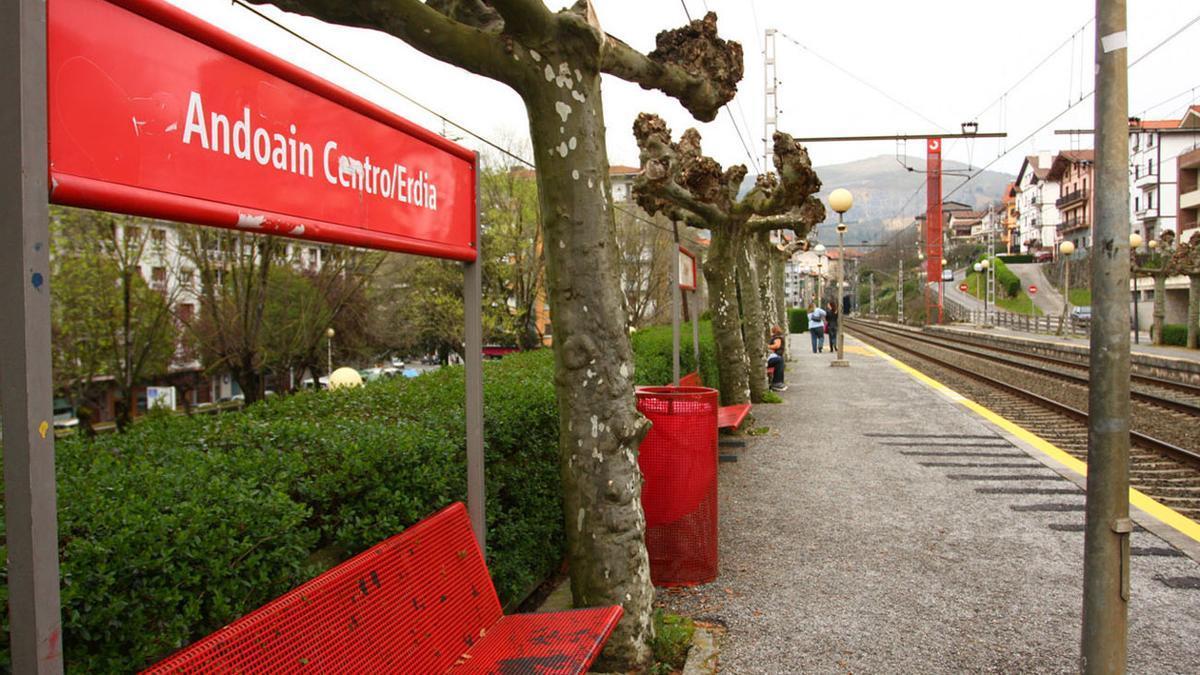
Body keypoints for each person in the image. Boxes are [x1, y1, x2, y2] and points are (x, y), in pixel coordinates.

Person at [767, 325, 786, 391]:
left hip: (774, 355)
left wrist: (767, 346)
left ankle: (777, 383)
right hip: (775, 356)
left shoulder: (777, 337)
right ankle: (778, 382)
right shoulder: (779, 336)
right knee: (780, 361)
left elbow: (777, 345)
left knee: (780, 361)